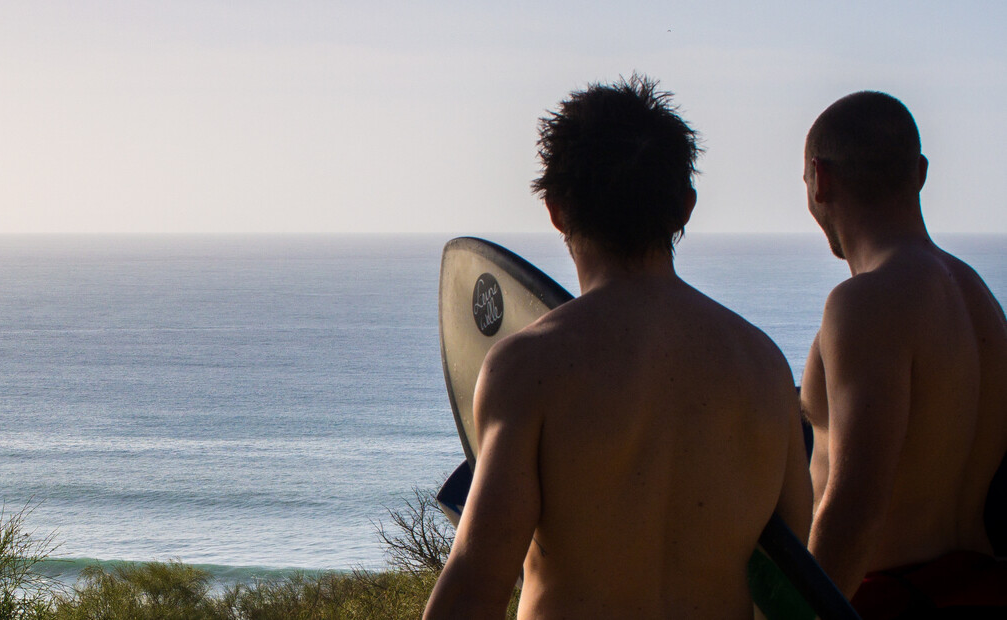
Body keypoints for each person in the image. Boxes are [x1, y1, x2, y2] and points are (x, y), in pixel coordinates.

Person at [423, 74, 813, 619]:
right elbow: (793, 580)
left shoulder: (532, 368)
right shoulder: (763, 366)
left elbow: (473, 590)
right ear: (685, 206)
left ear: (557, 209)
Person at [800, 91, 1007, 618]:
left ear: (819, 180)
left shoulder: (865, 302)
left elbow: (854, 507)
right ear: (919, 172)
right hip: (982, 588)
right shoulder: (978, 298)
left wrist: (801, 613)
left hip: (888, 599)